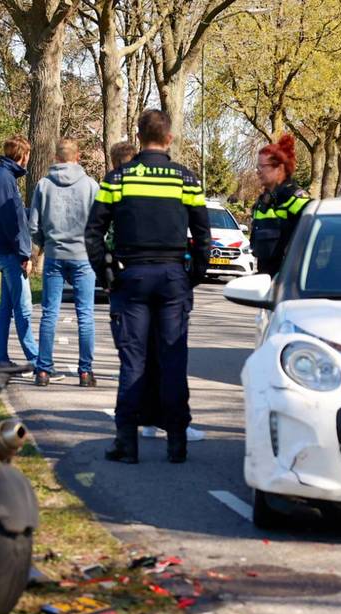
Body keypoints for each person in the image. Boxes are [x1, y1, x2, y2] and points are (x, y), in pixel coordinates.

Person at [84, 110, 209, 464]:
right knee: (173, 360)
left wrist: (107, 273)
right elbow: (202, 234)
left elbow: (93, 232)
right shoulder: (186, 180)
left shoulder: (118, 178)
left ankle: (127, 443)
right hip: (172, 278)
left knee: (133, 362)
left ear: (139, 137)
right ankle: (177, 444)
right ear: (169, 138)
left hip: (132, 276)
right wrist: (193, 276)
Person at [29, 138, 100, 387]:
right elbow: (99, 224)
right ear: (77, 156)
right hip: (83, 257)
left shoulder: (44, 185)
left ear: (56, 157)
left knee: (49, 313)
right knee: (85, 315)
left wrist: (38, 249)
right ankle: (85, 372)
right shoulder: (91, 186)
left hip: (55, 256)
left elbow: (34, 225)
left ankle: (43, 371)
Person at [0, 136, 38, 374]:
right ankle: (38, 362)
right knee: (23, 308)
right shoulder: (4, 180)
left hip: (6, 251)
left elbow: (16, 215)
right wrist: (24, 254)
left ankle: (1, 359)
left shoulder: (4, 178)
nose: (28, 160)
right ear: (22, 155)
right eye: (27, 155)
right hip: (10, 253)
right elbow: (11, 222)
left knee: (6, 308)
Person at [250, 134, 312, 276]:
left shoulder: (296, 200)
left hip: (288, 283)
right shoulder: (263, 202)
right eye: (257, 166)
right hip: (265, 283)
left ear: (279, 169)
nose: (257, 171)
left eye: (262, 166)